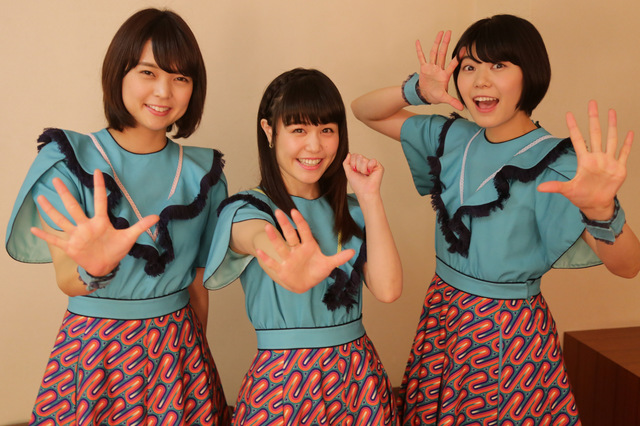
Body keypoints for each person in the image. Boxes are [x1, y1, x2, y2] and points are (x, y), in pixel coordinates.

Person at [351, 14, 640, 426]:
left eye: (499, 65)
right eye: (469, 67)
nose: (480, 81)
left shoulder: (558, 162)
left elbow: (628, 266)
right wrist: (416, 90)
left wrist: (601, 211)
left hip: (508, 334)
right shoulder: (452, 137)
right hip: (442, 315)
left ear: (530, 73)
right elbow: (365, 111)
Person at [5, 8, 231, 425]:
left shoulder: (205, 173)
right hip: (95, 357)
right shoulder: (68, 159)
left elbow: (197, 285)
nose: (164, 91)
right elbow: (67, 278)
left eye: (180, 78)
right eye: (148, 72)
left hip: (180, 356)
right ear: (118, 73)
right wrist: (95, 267)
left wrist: (195, 361)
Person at [203, 68, 403, 425]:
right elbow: (256, 235)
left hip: (359, 380)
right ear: (269, 131)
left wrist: (370, 197)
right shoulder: (248, 209)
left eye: (326, 130)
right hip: (282, 384)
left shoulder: (353, 210)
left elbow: (388, 290)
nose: (315, 146)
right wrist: (284, 259)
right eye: (299, 130)